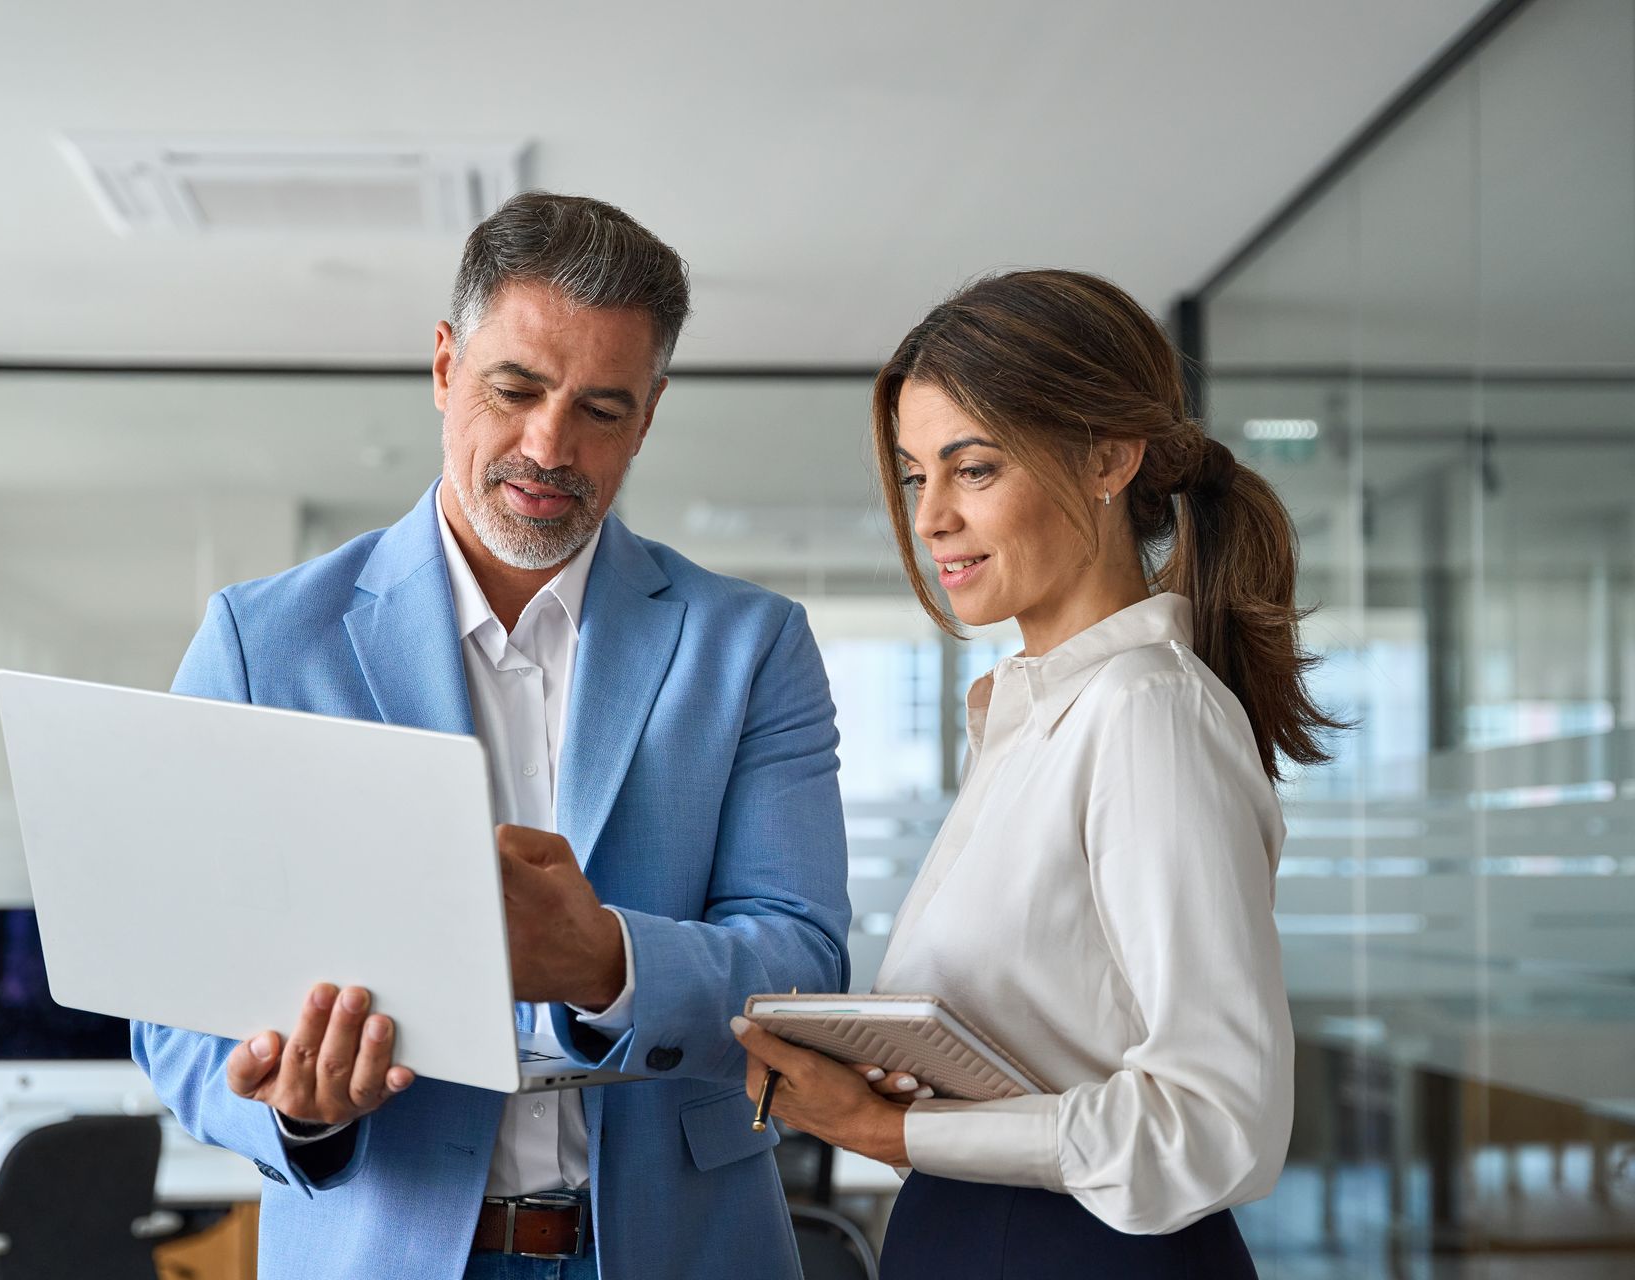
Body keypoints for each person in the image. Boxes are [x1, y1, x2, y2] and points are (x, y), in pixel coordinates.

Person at [134, 192, 850, 1280]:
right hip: (385, 1246)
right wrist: (297, 1107)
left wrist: (606, 961)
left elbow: (804, 963)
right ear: (441, 365)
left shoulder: (749, 646)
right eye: (515, 388)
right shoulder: (264, 641)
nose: (549, 443)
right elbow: (171, 1000)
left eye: (603, 409)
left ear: (650, 415)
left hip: (683, 1249)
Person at [733, 269, 1341, 1277]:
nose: (929, 518)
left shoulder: (1145, 711)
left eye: (971, 468)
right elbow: (1061, 1043)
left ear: (1108, 456)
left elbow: (1220, 1118)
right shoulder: (1037, 717)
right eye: (916, 473)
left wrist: (894, 1134)